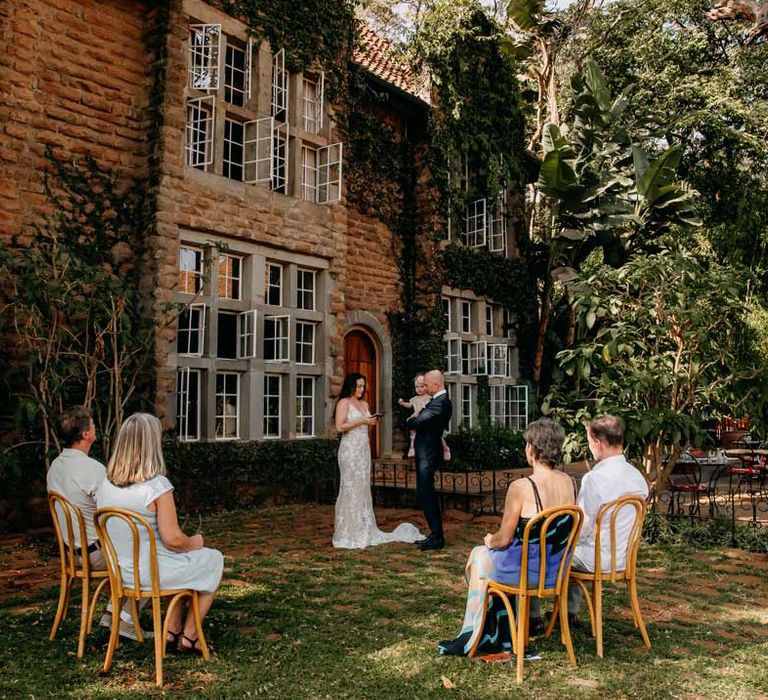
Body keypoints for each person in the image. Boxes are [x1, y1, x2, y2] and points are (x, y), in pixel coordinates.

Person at [438, 418, 577, 656]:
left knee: (479, 557)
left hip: (526, 572)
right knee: (486, 558)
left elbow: (503, 539)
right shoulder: (570, 482)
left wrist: (489, 539)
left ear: (531, 449)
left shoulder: (522, 487)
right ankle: (505, 629)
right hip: (555, 571)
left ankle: (484, 633)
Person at [96, 413, 223, 653]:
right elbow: (174, 540)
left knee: (184, 561)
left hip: (121, 573)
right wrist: (194, 542)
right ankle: (191, 634)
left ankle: (172, 630)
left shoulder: (104, 486)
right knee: (212, 558)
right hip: (151, 574)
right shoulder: (156, 487)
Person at [46, 405, 145, 640]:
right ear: (85, 434)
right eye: (92, 425)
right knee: (147, 553)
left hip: (71, 551)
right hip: (95, 555)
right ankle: (125, 620)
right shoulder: (92, 469)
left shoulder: (55, 466)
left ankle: (113, 614)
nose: (95, 428)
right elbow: (114, 510)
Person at [567, 414, 649, 625]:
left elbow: (582, 527)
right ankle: (568, 612)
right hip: (623, 558)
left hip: (595, 560)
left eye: (589, 441)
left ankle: (541, 616)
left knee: (557, 549)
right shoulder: (637, 477)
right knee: (570, 548)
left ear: (597, 443)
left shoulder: (594, 479)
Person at [332, 372, 423, 548]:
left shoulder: (364, 403)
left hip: (363, 449)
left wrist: (370, 422)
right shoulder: (344, 403)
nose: (361, 389)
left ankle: (363, 527)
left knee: (363, 487)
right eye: (358, 386)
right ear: (351, 386)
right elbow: (339, 426)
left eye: (363, 386)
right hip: (349, 450)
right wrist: (362, 421)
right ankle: (347, 531)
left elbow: (364, 426)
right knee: (350, 486)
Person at [407, 369, 452, 550]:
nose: (423, 388)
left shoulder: (440, 403)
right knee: (424, 493)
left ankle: (437, 536)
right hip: (425, 451)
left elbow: (415, 422)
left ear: (436, 384)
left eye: (426, 385)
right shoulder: (434, 401)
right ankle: (434, 534)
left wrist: (413, 419)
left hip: (429, 453)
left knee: (427, 493)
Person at [398, 374, 451, 461]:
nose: (419, 389)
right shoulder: (414, 399)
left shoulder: (430, 398)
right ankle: (412, 448)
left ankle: (445, 448)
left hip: (427, 418)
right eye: (417, 387)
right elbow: (409, 405)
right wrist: (402, 403)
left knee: (437, 434)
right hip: (418, 419)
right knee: (413, 432)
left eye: (422, 386)